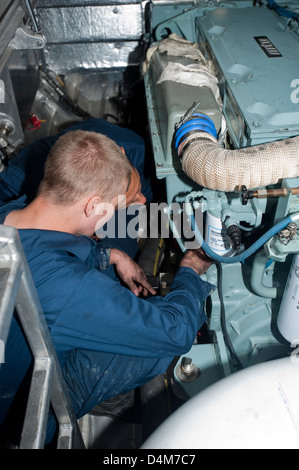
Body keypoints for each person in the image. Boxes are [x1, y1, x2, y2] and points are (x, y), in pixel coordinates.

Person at [0, 127, 214, 444]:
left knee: (116, 237)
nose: (140, 202)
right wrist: (190, 271)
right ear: (93, 206)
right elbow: (174, 331)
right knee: (156, 342)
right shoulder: (68, 287)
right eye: (127, 201)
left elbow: (51, 254)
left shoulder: (11, 212)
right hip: (19, 414)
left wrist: (109, 255)